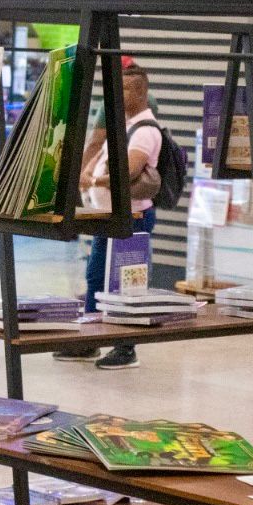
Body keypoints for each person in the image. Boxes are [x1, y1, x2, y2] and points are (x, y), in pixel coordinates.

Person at [56, 59, 160, 370]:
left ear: (139, 93)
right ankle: (88, 341)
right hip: (108, 216)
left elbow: (127, 172)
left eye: (125, 89)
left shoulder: (145, 130)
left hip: (131, 219)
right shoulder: (125, 125)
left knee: (127, 284)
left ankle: (126, 348)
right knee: (96, 278)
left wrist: (95, 180)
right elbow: (100, 152)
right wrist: (86, 171)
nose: (117, 95)